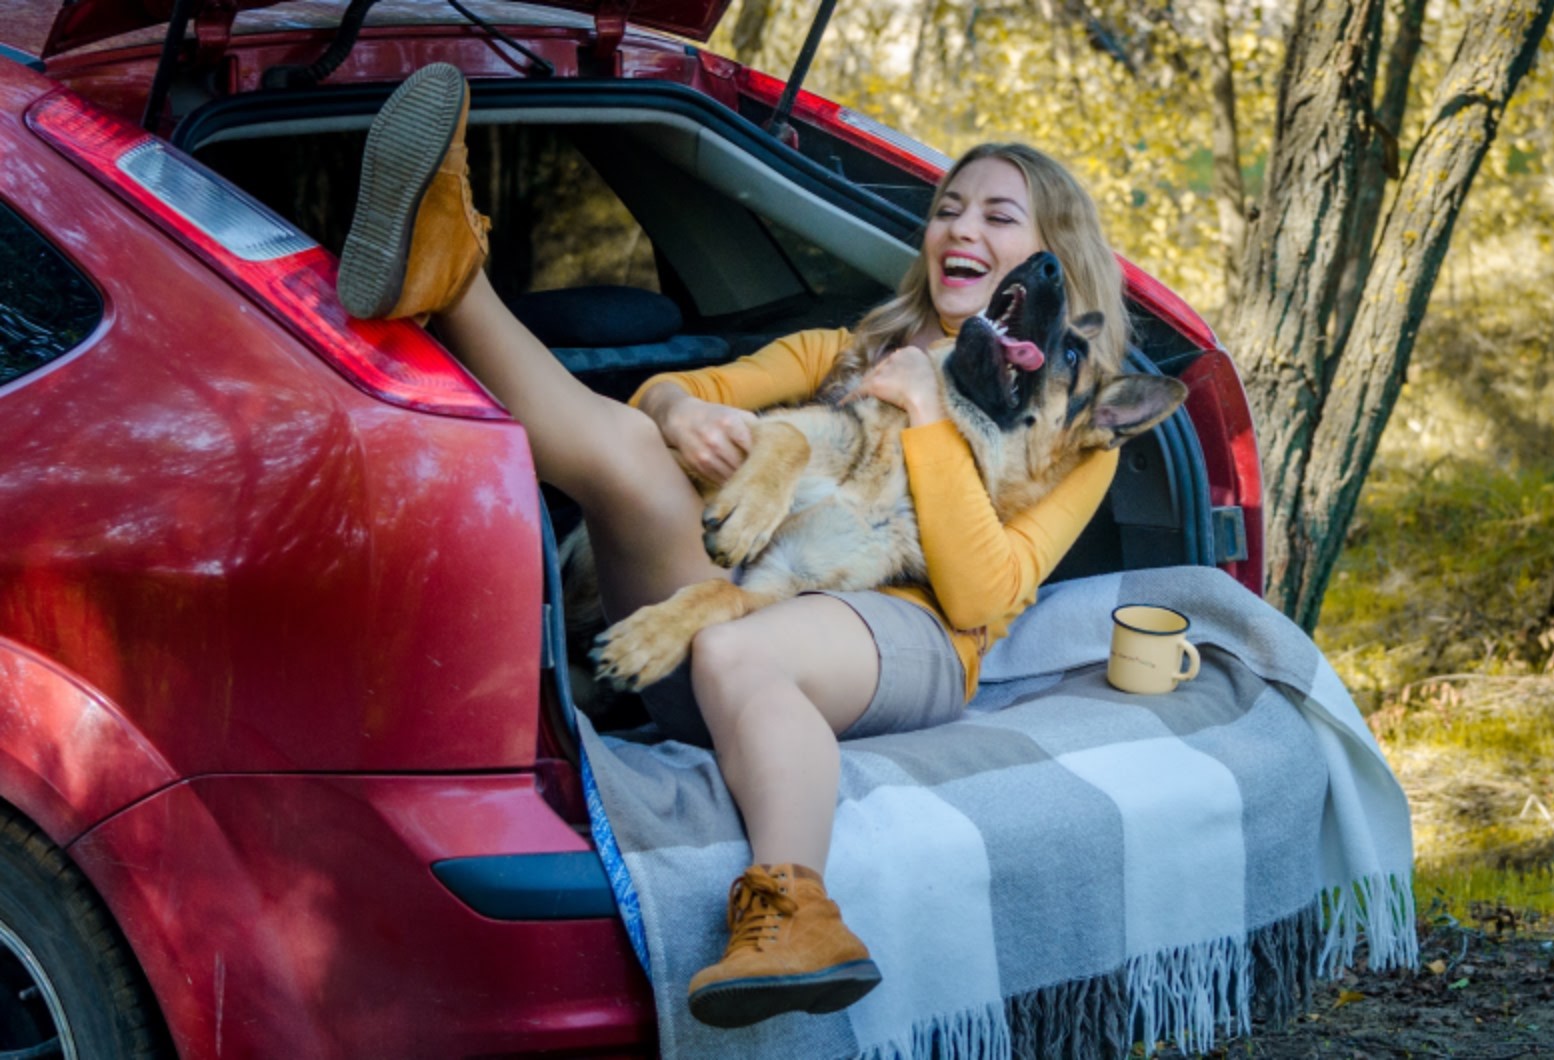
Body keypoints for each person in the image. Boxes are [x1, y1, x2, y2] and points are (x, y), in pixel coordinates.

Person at [337, 63, 1131, 1029]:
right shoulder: (841, 352)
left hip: (899, 639)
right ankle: (450, 279)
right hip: (709, 620)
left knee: (736, 645)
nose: (961, 230)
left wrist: (926, 408)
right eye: (947, 209)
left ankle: (791, 911)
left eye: (999, 218)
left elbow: (982, 593)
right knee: (633, 458)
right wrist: (674, 411)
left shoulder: (1078, 431)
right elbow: (672, 395)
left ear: (1050, 261)